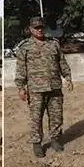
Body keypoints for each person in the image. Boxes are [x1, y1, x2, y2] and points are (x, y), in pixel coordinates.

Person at [14, 16, 73, 158]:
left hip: (54, 87)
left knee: (56, 116)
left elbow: (62, 63)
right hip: (36, 89)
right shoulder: (25, 47)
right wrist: (21, 87)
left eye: (41, 27)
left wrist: (68, 78)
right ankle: (37, 143)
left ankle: (55, 139)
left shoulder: (53, 44)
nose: (39, 30)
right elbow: (21, 68)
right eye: (36, 28)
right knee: (36, 118)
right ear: (31, 29)